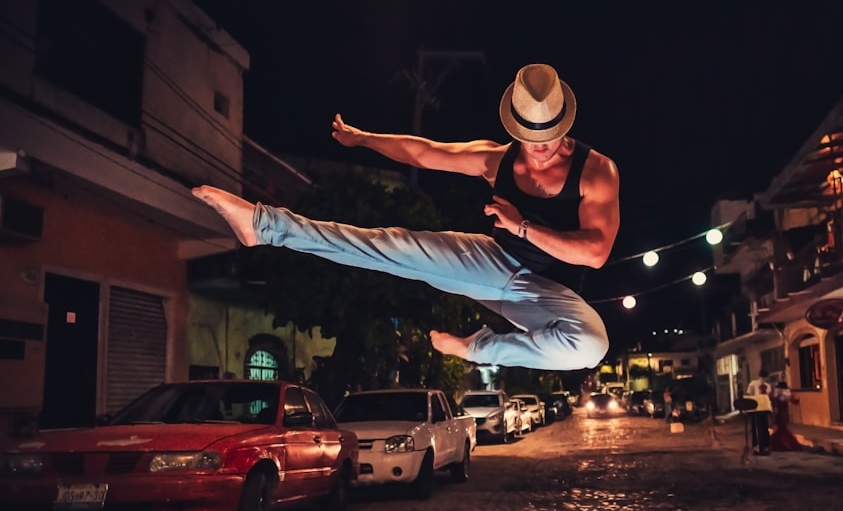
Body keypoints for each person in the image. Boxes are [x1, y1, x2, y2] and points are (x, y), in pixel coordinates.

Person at [191, 64, 620, 371]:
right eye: (528, 138)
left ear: (564, 126)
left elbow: (596, 252)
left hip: (547, 294)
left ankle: (477, 348)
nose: (538, 147)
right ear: (515, 129)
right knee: (389, 245)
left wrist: (523, 226)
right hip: (491, 264)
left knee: (590, 345)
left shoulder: (595, 170)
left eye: (547, 137)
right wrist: (362, 140)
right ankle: (264, 225)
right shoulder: (496, 159)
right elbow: (423, 151)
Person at [768, 380, 804, 452]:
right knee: (782, 429)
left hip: (780, 413)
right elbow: (793, 401)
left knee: (781, 429)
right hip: (784, 413)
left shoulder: (777, 394)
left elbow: (773, 400)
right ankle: (784, 444)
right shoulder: (785, 394)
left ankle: (778, 444)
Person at [745, 368, 773, 455]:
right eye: (763, 377)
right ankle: (756, 447)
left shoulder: (768, 386)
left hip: (764, 409)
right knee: (756, 429)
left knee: (765, 428)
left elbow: (768, 397)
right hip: (755, 409)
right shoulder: (753, 384)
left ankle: (765, 446)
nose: (763, 379)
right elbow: (749, 394)